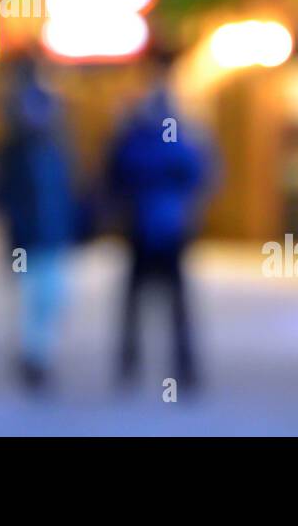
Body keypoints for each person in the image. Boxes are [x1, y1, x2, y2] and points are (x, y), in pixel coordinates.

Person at [106, 49, 212, 393]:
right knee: (162, 302)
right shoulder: (178, 121)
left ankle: (141, 366)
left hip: (157, 221)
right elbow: (198, 170)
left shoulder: (146, 121)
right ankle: (172, 367)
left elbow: (119, 168)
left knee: (152, 302)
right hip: (161, 221)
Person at [0, 54, 79, 393]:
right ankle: (32, 357)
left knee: (53, 297)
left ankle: (41, 354)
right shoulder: (13, 151)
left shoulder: (56, 149)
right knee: (31, 297)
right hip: (25, 237)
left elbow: (69, 190)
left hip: (53, 234)